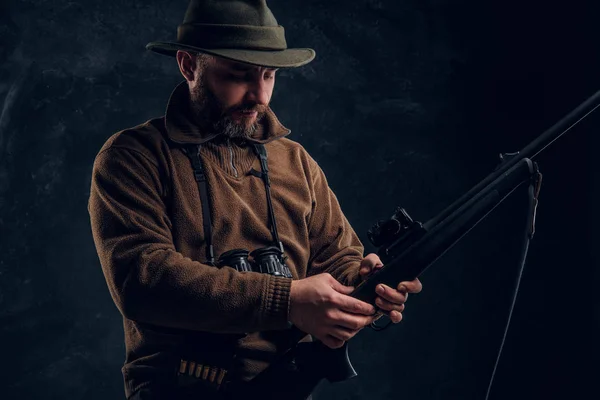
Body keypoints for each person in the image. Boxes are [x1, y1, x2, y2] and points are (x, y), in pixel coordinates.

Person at [88, 0, 422, 399]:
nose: (259, 95)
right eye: (239, 74)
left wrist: (368, 281)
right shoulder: (133, 156)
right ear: (189, 65)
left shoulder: (296, 161)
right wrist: (287, 300)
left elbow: (338, 257)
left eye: (268, 75)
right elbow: (142, 278)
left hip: (289, 386)